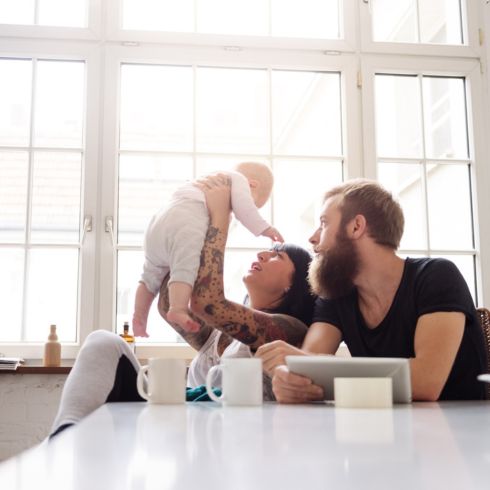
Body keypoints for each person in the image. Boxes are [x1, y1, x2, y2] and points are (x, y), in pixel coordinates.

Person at [49, 174, 316, 437]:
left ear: (293, 285)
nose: (262, 253)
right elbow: (168, 305)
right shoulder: (219, 336)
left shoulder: (289, 330)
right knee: (102, 341)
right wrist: (187, 224)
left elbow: (207, 303)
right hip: (185, 428)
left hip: (232, 442)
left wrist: (221, 216)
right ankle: (63, 437)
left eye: (277, 256)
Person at [256, 179, 487, 402]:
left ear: (356, 226)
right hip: (386, 427)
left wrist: (314, 368)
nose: (313, 237)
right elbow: (306, 367)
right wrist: (290, 381)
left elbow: (425, 382)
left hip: (464, 430)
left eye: (324, 223)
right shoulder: (336, 295)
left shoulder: (437, 275)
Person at [133, 161, 284, 335]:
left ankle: (139, 317)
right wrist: (265, 229)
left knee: (149, 275)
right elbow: (246, 210)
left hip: (157, 224)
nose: (235, 213)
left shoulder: (206, 180)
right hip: (183, 222)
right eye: (255, 203)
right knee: (186, 264)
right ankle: (178, 308)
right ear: (252, 184)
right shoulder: (237, 180)